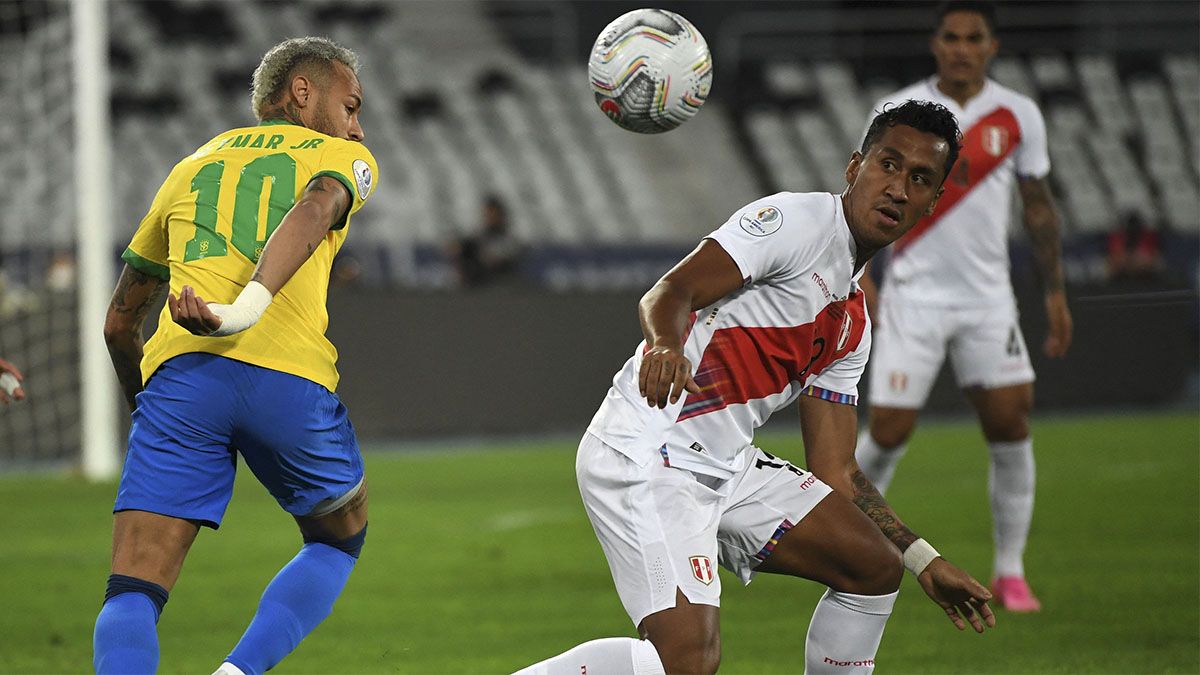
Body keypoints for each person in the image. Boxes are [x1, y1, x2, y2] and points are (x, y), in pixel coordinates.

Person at [516, 100, 993, 675]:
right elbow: (670, 291)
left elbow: (835, 472)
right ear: (854, 168)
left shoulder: (853, 322)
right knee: (686, 662)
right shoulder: (796, 223)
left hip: (722, 466)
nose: (897, 188)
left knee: (871, 565)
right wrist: (666, 346)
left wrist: (921, 558)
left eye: (920, 179)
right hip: (647, 450)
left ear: (933, 201)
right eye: (888, 165)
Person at [95, 37, 378, 675]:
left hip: (180, 377)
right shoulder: (342, 157)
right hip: (288, 377)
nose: (358, 126)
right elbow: (314, 209)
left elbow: (119, 324)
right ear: (303, 93)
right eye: (351, 105)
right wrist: (245, 309)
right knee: (341, 537)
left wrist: (149, 407)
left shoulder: (190, 166)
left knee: (133, 586)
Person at [853, 0, 1072, 614]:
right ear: (936, 43)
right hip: (913, 296)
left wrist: (1054, 293)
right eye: (951, 36)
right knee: (889, 430)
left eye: (974, 37)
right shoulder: (899, 112)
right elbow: (862, 191)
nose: (961, 47)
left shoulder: (1018, 113)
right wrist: (861, 270)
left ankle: (1010, 570)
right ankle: (853, 545)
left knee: (1009, 424)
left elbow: (1038, 207)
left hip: (986, 300)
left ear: (991, 46)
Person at [449, 194, 522, 287]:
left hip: (502, 287)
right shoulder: (477, 238)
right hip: (478, 288)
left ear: (501, 215)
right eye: (488, 214)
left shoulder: (510, 240)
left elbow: (501, 260)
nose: (490, 217)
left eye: (493, 214)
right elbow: (457, 250)